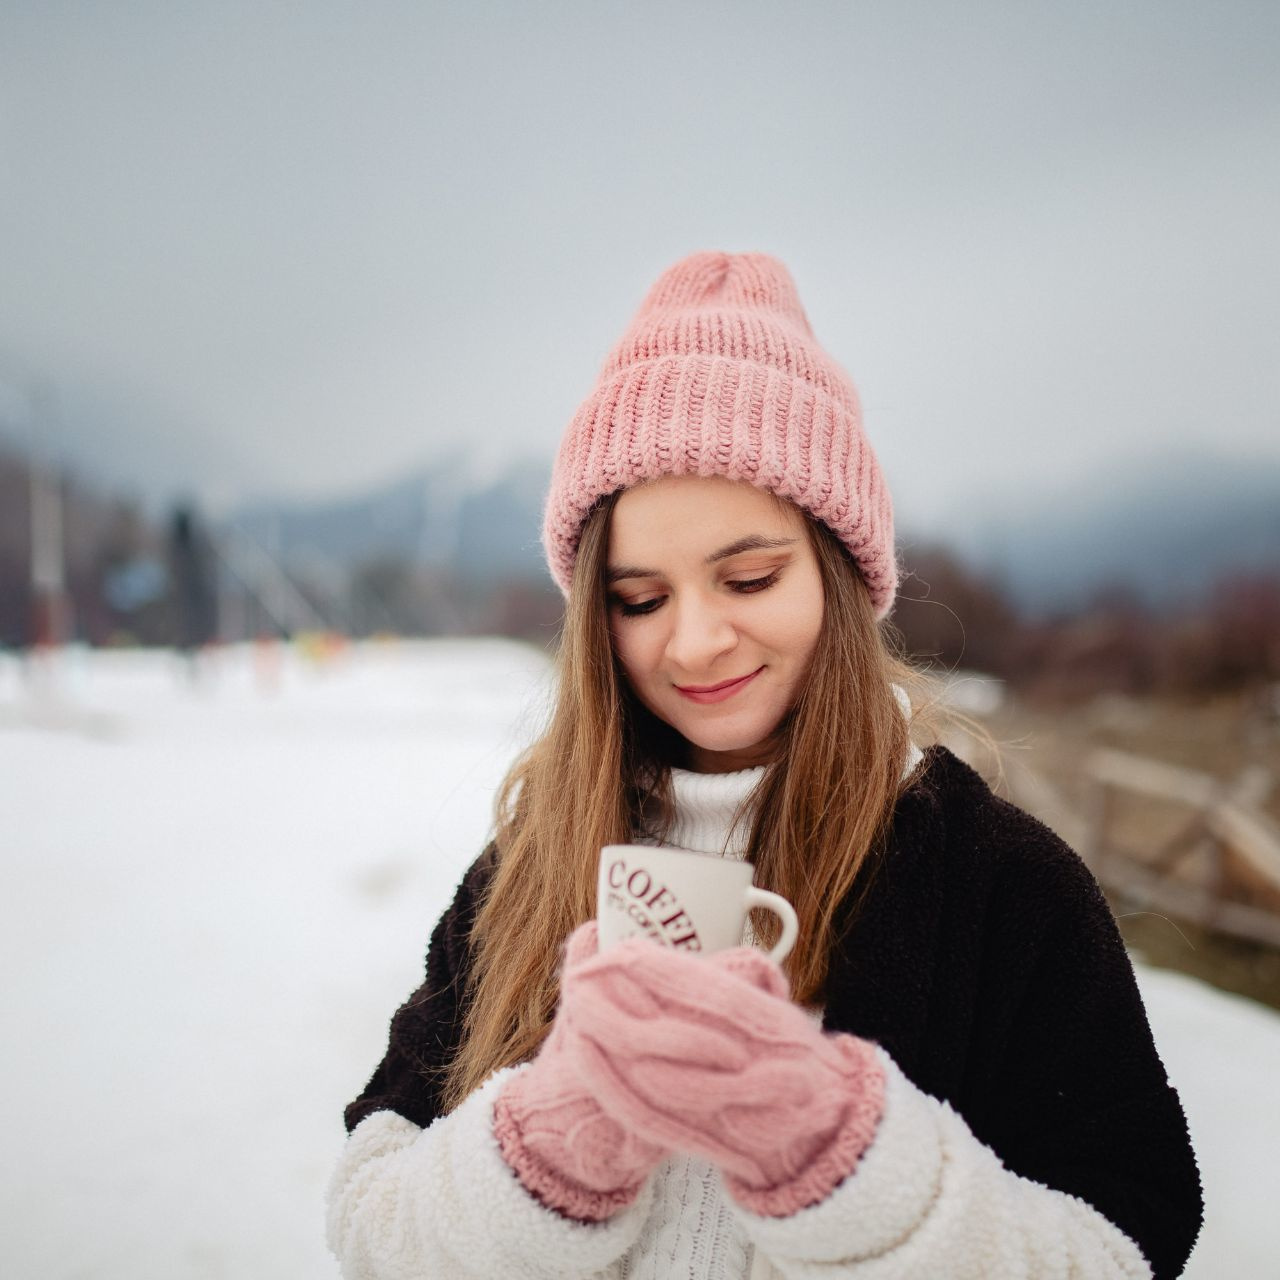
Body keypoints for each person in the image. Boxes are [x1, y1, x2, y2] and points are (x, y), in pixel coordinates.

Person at [326, 252, 1203, 1279]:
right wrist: (544, 1150)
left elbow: (1124, 1248)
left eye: (747, 578)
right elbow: (369, 1212)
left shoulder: (1000, 884)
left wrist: (842, 1156)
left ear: (840, 573)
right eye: (639, 599)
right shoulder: (529, 864)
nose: (695, 642)